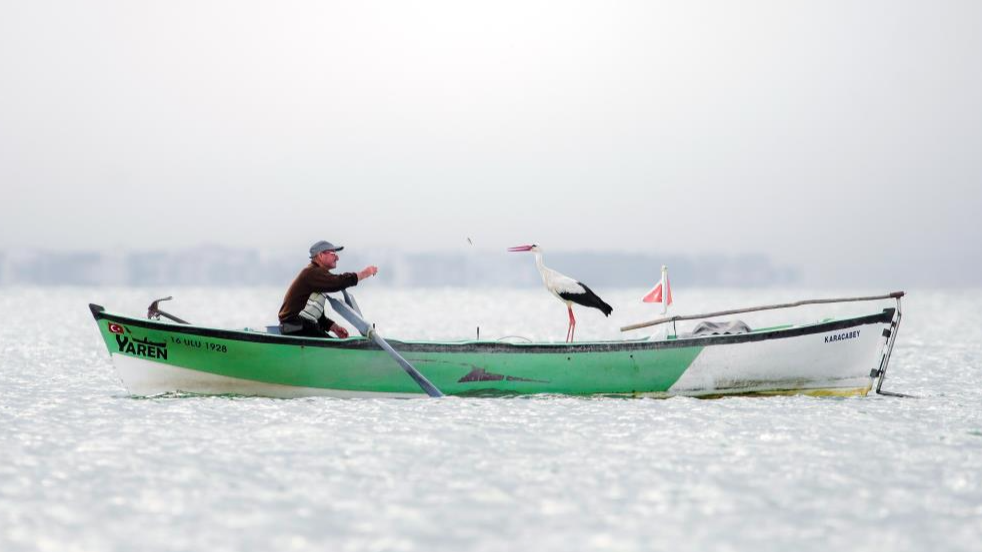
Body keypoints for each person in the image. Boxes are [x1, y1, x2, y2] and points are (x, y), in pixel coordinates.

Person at [278, 240, 378, 338]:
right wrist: (364, 274)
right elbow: (337, 282)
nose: (337, 257)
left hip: (302, 325)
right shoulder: (311, 273)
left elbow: (314, 315)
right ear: (321, 255)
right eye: (333, 253)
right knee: (337, 348)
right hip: (296, 325)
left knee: (324, 335)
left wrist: (334, 327)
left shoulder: (317, 276)